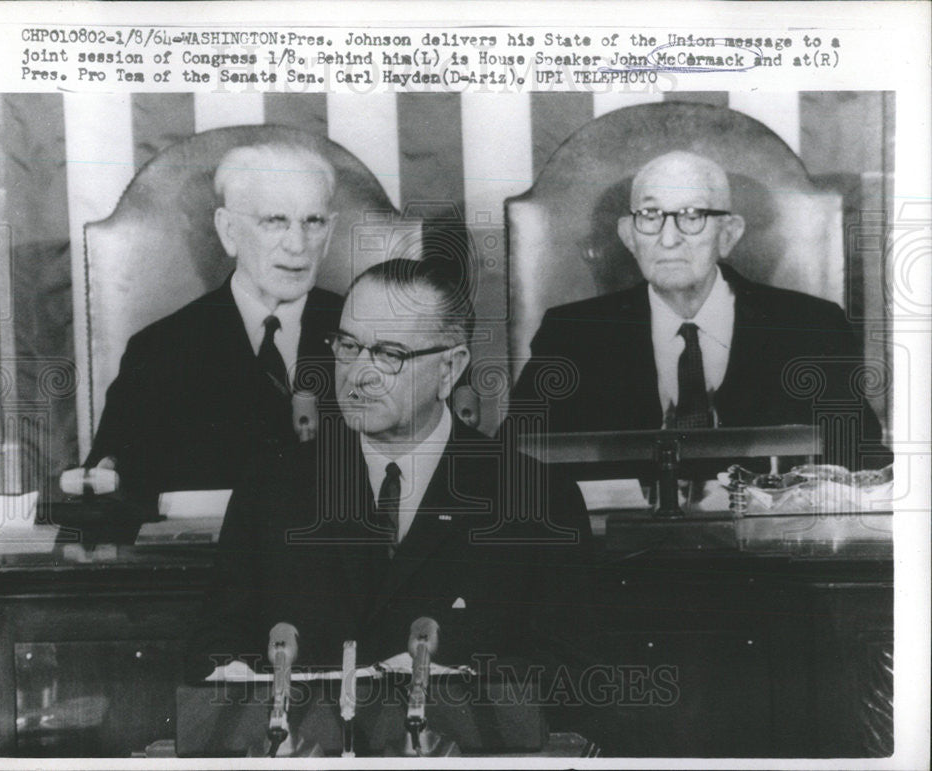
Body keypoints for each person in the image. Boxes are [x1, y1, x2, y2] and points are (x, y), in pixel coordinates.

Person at [187, 257, 594, 681]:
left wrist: (451, 687)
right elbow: (214, 643)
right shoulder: (272, 487)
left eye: (389, 354)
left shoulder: (537, 498)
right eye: (347, 346)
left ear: (450, 368)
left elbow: (567, 669)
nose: (359, 375)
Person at [509, 151, 891, 470]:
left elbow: (863, 464)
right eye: (650, 216)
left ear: (729, 233)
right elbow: (514, 461)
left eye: (692, 216)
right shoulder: (573, 335)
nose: (669, 238)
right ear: (629, 236)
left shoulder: (810, 327)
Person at [82, 142, 344, 499]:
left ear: (328, 233)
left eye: (313, 221)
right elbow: (110, 488)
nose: (297, 245)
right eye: (274, 221)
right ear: (229, 230)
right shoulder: (159, 352)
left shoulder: (370, 335)